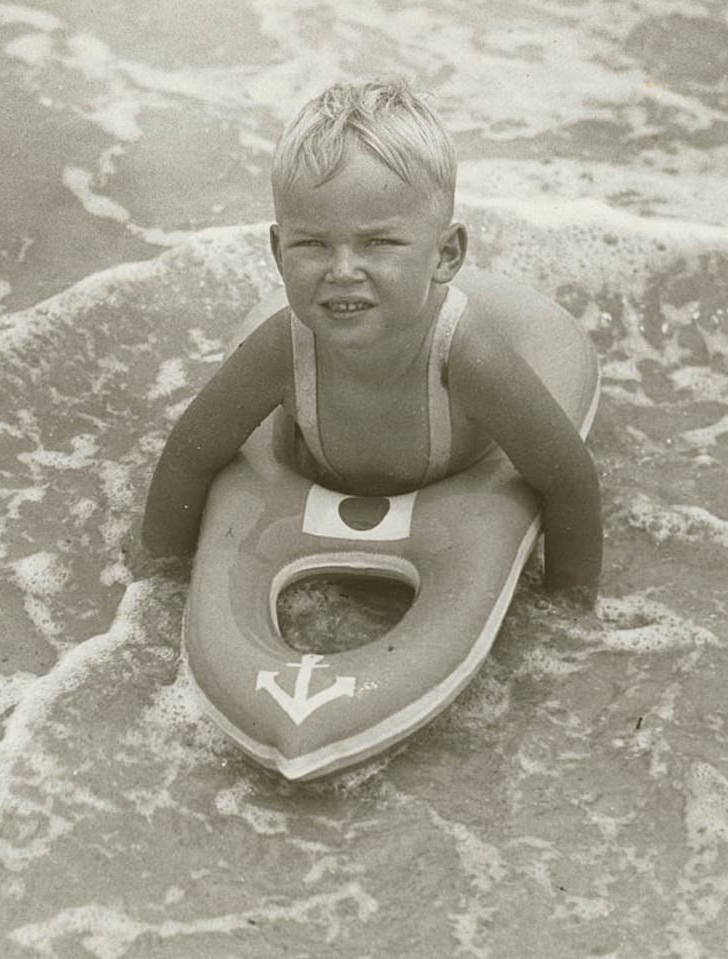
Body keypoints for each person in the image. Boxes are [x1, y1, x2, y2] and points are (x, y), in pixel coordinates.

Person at [138, 77, 601, 609]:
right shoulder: (283, 348)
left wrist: (570, 611)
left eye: (378, 242)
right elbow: (188, 458)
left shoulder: (467, 355)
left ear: (446, 254)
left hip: (451, 499)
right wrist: (159, 585)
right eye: (312, 244)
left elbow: (569, 482)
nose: (342, 271)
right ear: (276, 250)